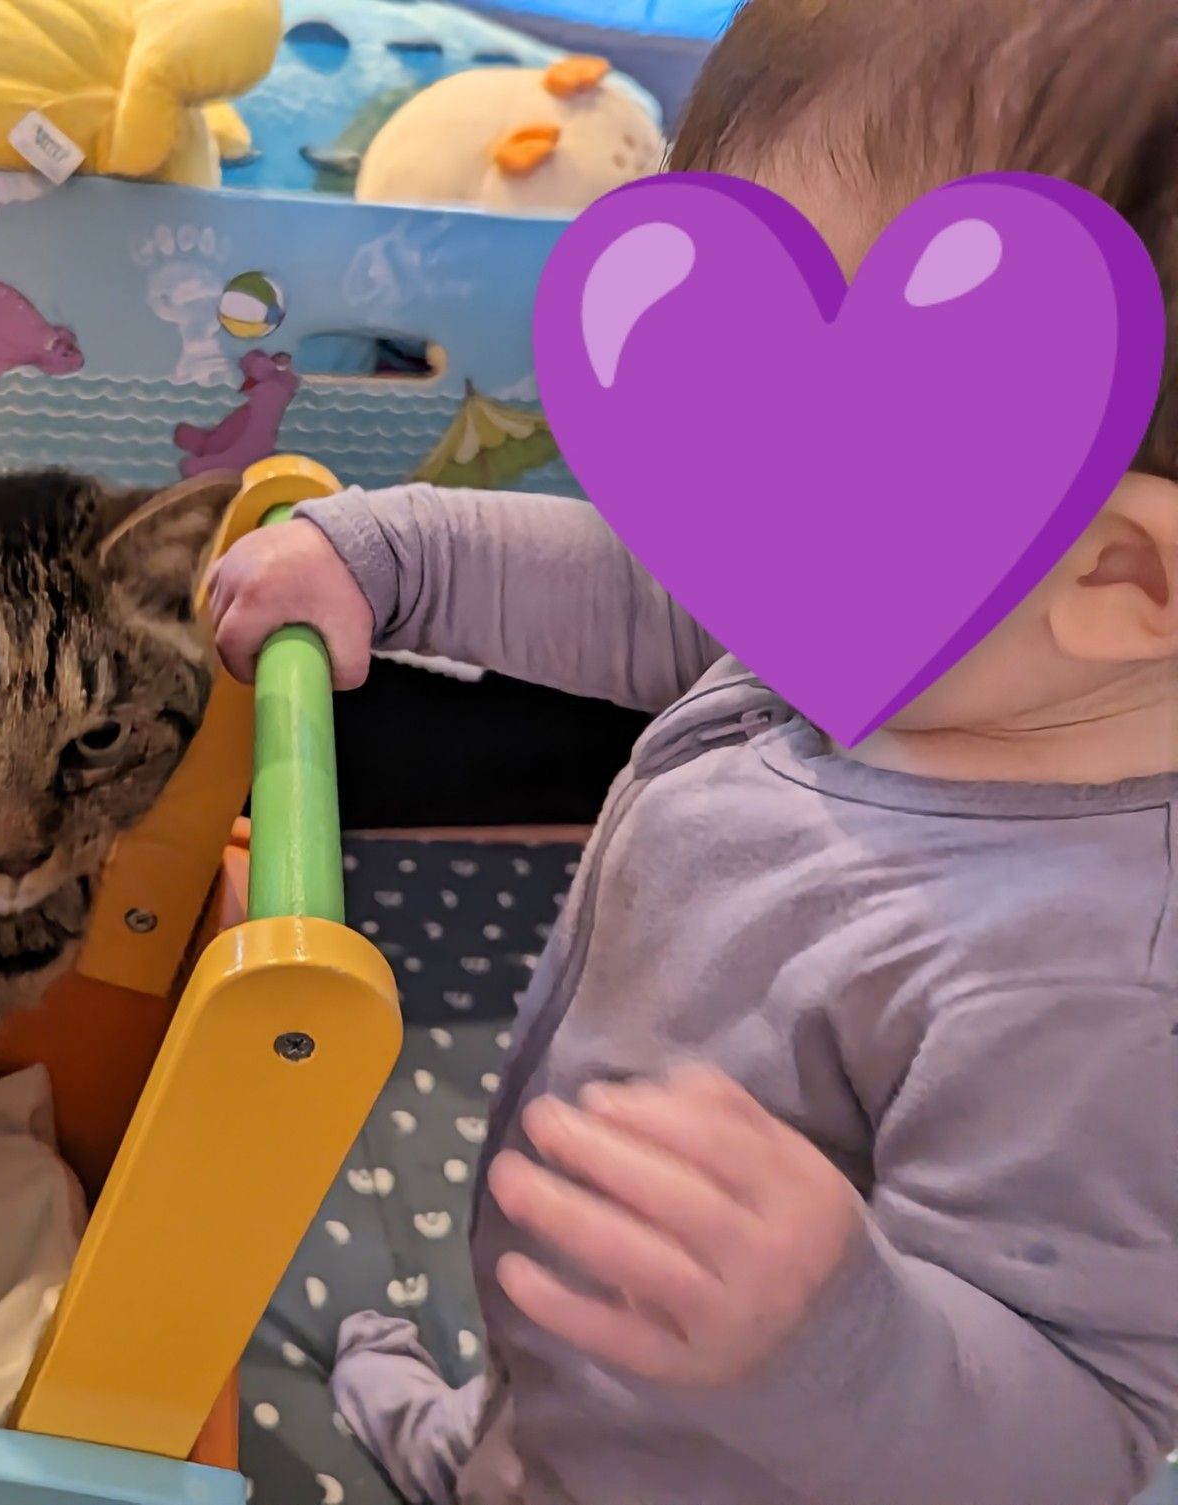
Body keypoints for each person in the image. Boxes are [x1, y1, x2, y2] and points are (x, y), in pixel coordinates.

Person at [208, 2, 1178, 1500]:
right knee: (531, 1411)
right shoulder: (916, 628)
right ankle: (479, 1444)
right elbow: (642, 585)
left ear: (1122, 576)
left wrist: (843, 1335)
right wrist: (393, 553)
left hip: (729, 1457)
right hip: (578, 1331)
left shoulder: (1089, 988)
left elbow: (1085, 1430)